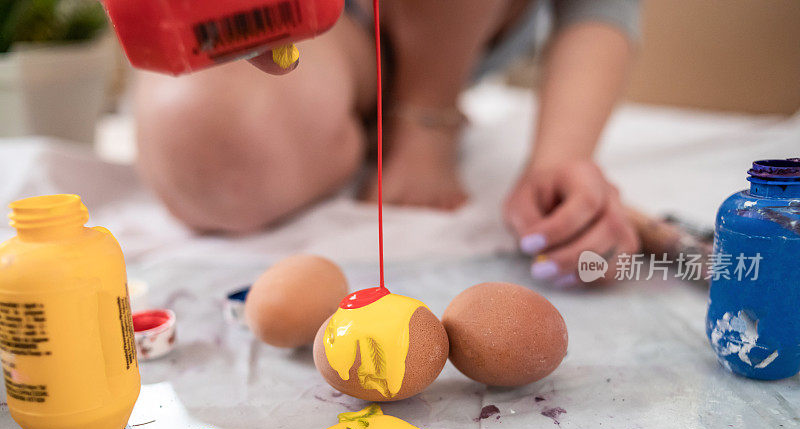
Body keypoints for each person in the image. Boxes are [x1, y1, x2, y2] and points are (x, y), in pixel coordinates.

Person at [134, 0, 641, 287]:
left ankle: (428, 110)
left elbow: (598, 11)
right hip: (326, 25)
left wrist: (559, 160)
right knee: (209, 155)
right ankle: (366, 115)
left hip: (464, 28)